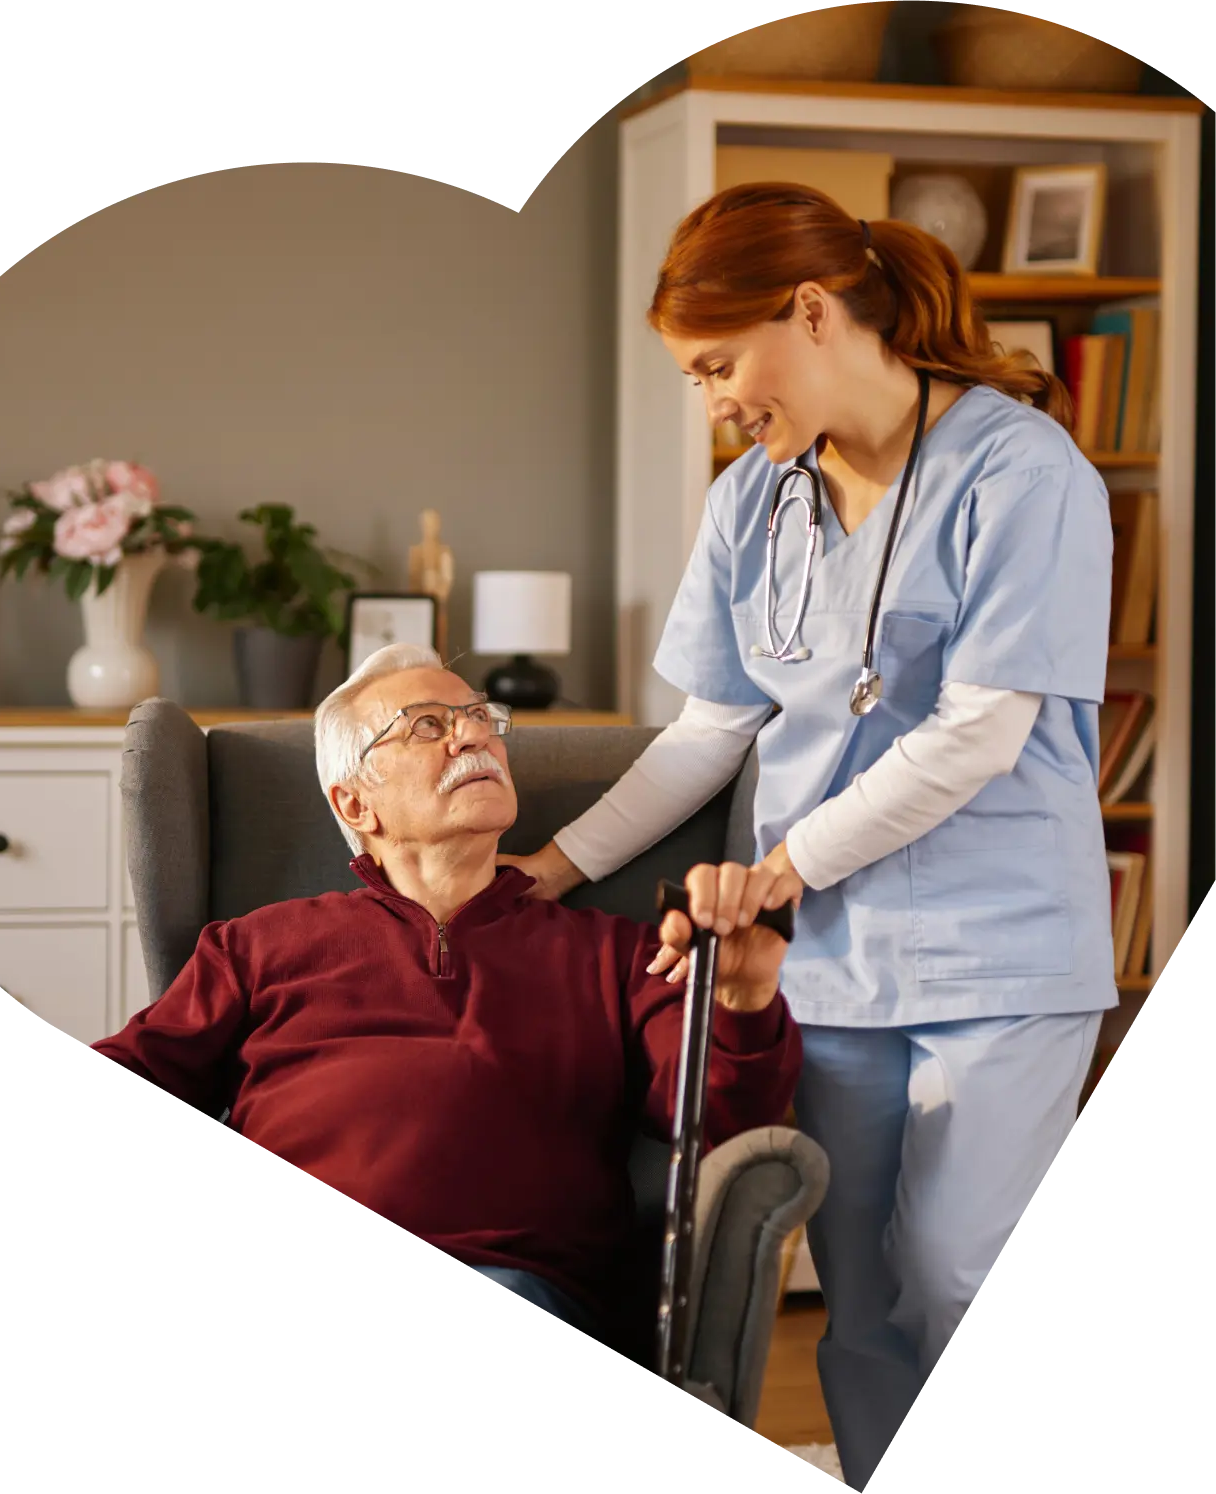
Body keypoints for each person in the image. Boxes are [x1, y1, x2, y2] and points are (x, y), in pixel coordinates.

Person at [500, 183, 1114, 1490]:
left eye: (718, 363)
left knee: (960, 1267)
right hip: (832, 966)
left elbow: (977, 729)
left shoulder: (1018, 470)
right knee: (867, 1298)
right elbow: (708, 727)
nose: (713, 399)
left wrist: (777, 869)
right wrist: (555, 865)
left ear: (810, 309)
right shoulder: (753, 502)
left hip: (998, 950)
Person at [87, 642, 802, 1353]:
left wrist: (742, 996)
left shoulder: (617, 954)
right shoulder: (254, 947)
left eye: (480, 717)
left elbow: (719, 1123)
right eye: (427, 724)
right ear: (354, 803)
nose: (474, 735)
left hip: (516, 1281)